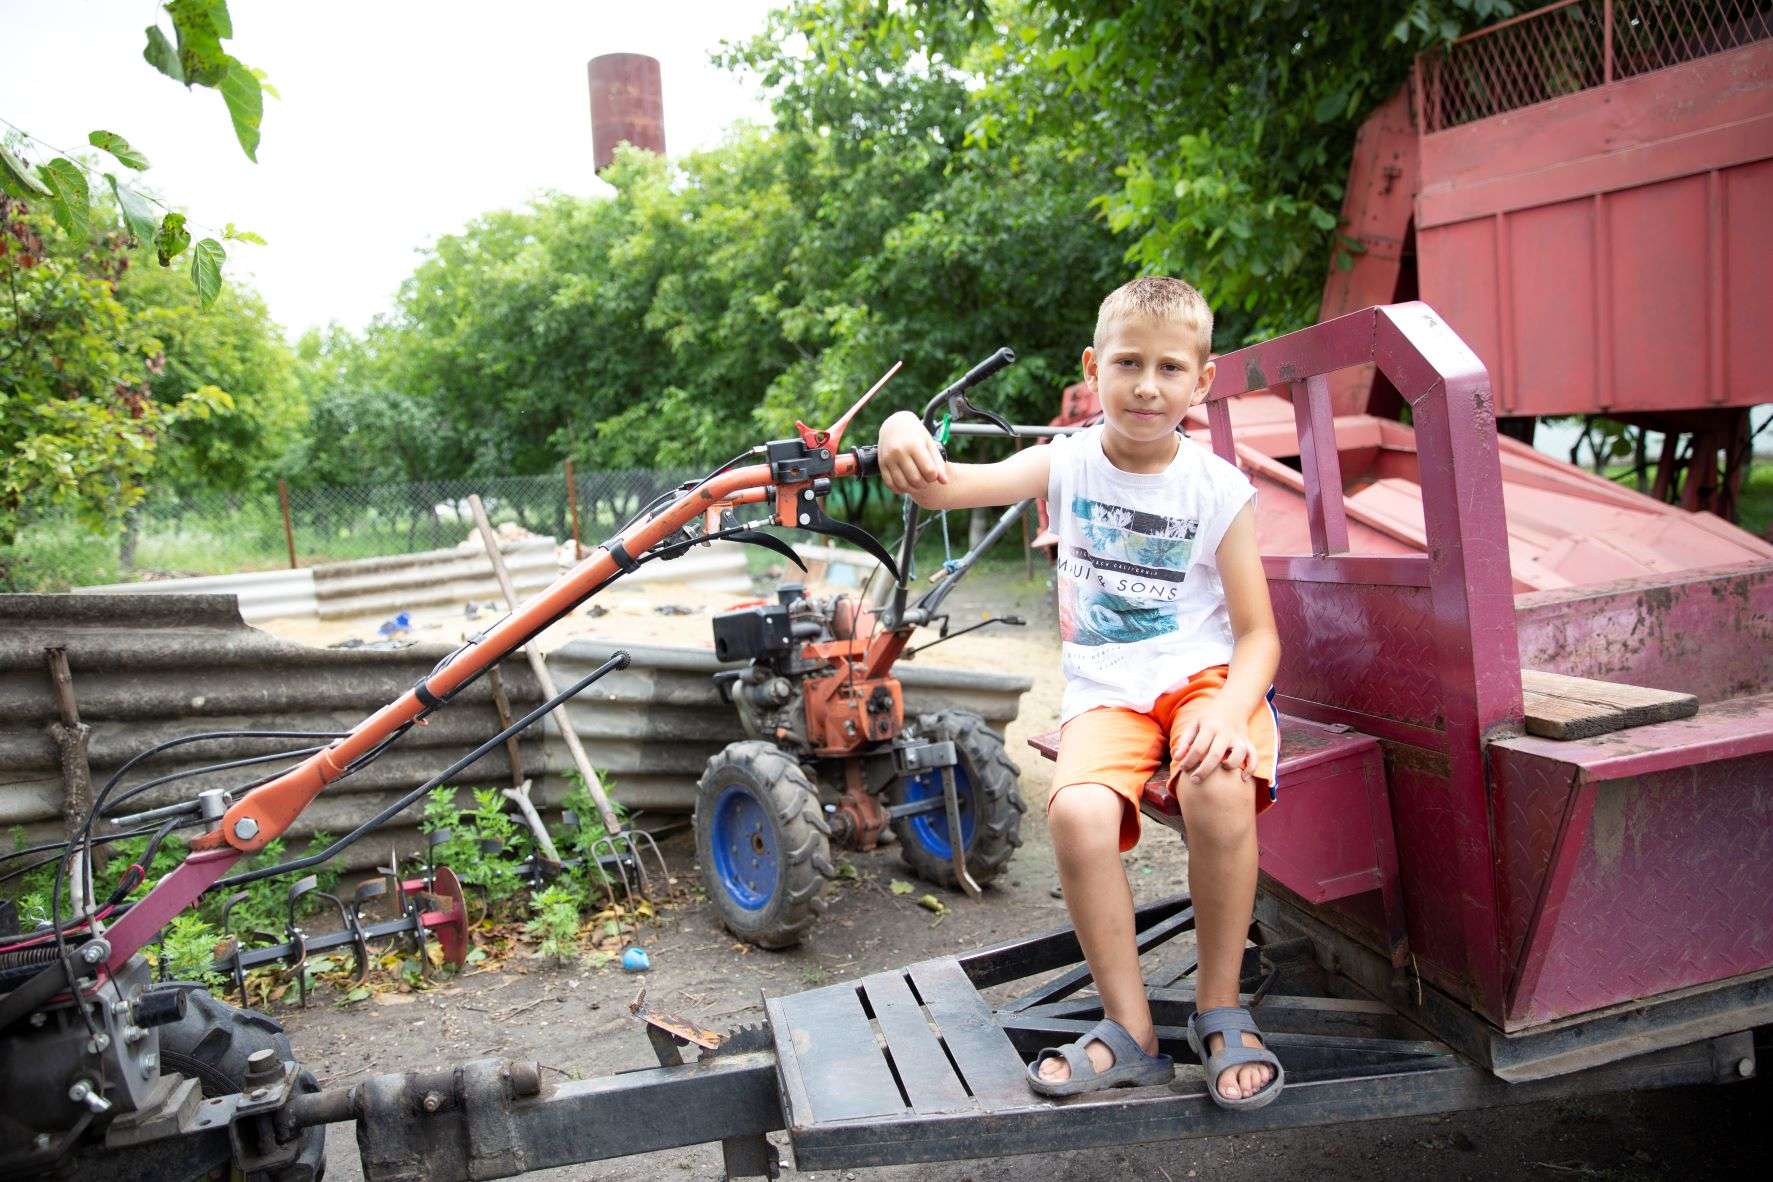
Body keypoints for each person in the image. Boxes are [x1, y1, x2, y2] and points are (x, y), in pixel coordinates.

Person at [875, 276, 1284, 1108]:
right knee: (1076, 814)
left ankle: (1219, 1005)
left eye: (1170, 368)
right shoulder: (1062, 462)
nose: (1145, 384)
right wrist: (898, 426)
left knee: (1217, 784)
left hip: (1203, 681)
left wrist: (1228, 709)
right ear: (1093, 368)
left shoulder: (1216, 490)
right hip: (1109, 693)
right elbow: (940, 482)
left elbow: (1257, 636)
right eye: (1127, 362)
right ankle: (1130, 1030)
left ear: (1201, 382)